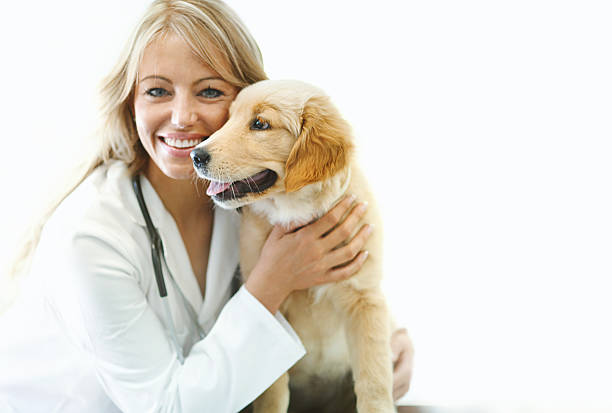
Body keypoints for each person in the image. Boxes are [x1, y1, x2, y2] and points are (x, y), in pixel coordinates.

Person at [0, 0, 413, 412]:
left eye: (210, 90)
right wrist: (270, 284)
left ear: (246, 97)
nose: (182, 117)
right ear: (131, 102)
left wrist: (387, 344)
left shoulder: (254, 197)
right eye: (157, 90)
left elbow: (338, 302)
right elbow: (167, 407)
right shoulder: (90, 236)